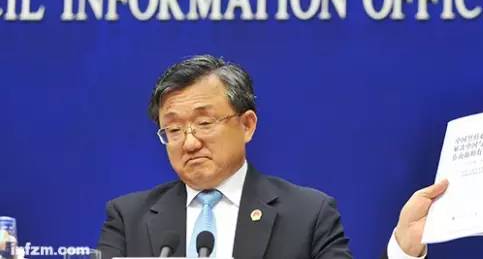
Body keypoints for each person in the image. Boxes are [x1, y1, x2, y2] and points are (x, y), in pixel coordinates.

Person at [97, 55, 447, 259]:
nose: (189, 143)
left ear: (247, 125)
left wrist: (402, 251)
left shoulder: (308, 214)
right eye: (173, 130)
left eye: (204, 123)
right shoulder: (128, 218)